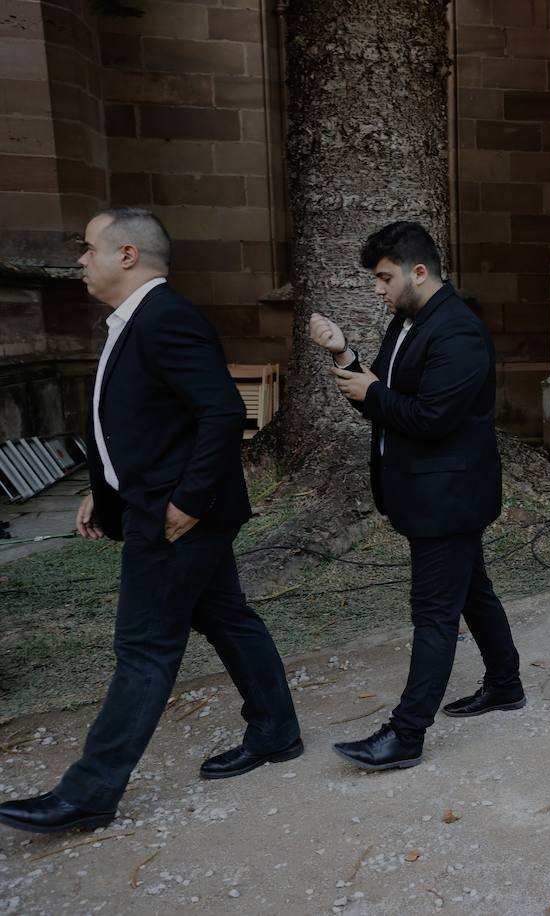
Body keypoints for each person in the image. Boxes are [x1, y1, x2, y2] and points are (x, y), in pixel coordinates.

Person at [0, 209, 302, 834]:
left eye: (87, 248)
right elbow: (137, 424)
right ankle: (275, 732)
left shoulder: (166, 318)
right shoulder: (132, 322)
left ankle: (88, 793)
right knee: (227, 617)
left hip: (179, 517)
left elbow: (221, 412)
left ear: (128, 255)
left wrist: (187, 503)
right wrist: (102, 492)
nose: (80, 260)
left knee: (143, 649)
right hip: (159, 506)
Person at [309, 221, 523, 771]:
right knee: (472, 591)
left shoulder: (458, 333)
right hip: (425, 492)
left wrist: (374, 390)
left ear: (418, 272)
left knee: (433, 614)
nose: (377, 289)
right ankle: (506, 685)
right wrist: (344, 358)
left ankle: (406, 733)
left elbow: (430, 418)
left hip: (449, 496)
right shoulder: (407, 322)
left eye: (384, 278)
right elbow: (384, 400)